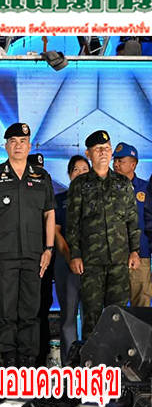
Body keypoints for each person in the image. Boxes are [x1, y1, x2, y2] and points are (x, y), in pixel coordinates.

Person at [0, 123, 55, 367]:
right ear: (6, 146)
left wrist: (49, 249)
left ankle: (28, 359)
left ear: (29, 146)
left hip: (34, 253)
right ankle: (9, 358)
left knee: (31, 309)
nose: (18, 146)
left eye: (23, 141)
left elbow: (49, 213)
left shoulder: (41, 177)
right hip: (5, 253)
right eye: (13, 141)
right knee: (6, 308)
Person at [67, 130, 139, 340]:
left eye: (107, 149)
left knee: (118, 316)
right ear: (88, 153)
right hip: (91, 263)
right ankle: (92, 360)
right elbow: (73, 224)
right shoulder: (80, 185)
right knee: (92, 316)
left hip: (119, 262)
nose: (103, 153)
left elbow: (132, 221)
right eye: (98, 149)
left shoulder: (123, 183)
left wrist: (134, 251)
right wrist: (75, 255)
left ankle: (114, 360)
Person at [54, 155, 91, 362]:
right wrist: (70, 257)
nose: (81, 173)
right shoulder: (61, 200)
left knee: (91, 315)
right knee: (68, 315)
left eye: (85, 169)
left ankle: (91, 363)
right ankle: (69, 366)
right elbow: (55, 231)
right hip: (66, 263)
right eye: (76, 169)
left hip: (92, 264)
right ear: (69, 174)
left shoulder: (98, 198)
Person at [113, 142, 151, 307]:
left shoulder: (146, 189)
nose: (116, 164)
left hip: (141, 257)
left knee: (141, 305)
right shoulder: (107, 188)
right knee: (114, 308)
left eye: (121, 161)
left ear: (133, 164)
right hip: (114, 258)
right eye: (115, 160)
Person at [27, 153, 55, 366]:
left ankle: (40, 359)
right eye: (33, 170)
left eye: (40, 170)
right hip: (21, 257)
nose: (37, 174)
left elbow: (51, 221)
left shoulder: (47, 192)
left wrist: (48, 249)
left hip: (43, 258)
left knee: (42, 309)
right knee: (23, 310)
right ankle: (23, 359)